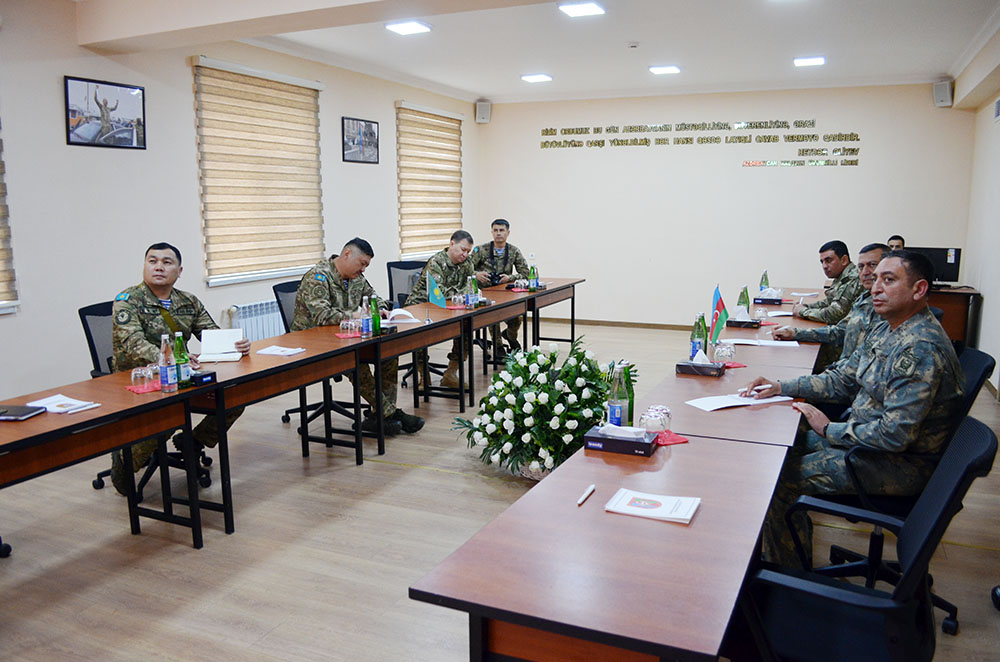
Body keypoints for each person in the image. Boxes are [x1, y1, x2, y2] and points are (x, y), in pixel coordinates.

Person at [745, 250, 964, 568]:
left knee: (780, 480)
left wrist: (828, 429)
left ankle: (788, 577)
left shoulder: (920, 349)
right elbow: (843, 379)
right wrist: (782, 386)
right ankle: (776, 559)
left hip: (896, 463)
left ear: (919, 290)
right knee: (782, 443)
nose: (875, 286)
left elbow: (894, 435)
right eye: (876, 279)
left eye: (889, 280)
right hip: (864, 440)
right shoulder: (888, 327)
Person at [110, 242, 250, 495]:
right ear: (144, 266)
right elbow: (133, 343)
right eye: (152, 261)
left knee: (234, 395)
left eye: (167, 262)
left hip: (180, 376)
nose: (159, 267)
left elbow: (210, 334)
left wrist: (235, 344)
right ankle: (125, 461)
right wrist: (171, 358)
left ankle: (193, 441)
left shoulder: (188, 301)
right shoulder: (127, 301)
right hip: (139, 379)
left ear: (179, 270)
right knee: (170, 416)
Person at [291, 238, 423, 436]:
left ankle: (379, 415)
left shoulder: (356, 278)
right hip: (313, 343)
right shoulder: (318, 277)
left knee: (388, 353)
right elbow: (322, 316)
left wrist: (381, 309)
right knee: (357, 364)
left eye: (366, 265)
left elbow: (374, 297)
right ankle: (390, 413)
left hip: (346, 337)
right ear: (347, 254)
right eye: (362, 264)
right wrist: (355, 315)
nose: (363, 269)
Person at [775, 243, 888, 373]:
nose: (865, 272)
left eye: (872, 265)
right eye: (861, 267)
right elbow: (840, 329)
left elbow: (834, 313)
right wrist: (795, 333)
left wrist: (803, 311)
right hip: (844, 370)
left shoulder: (887, 305)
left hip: (850, 372)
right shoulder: (865, 298)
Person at [406, 230, 475, 388]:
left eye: (468, 251)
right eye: (463, 250)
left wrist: (464, 293)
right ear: (452, 244)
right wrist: (463, 292)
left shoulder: (467, 263)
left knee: (466, 327)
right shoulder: (436, 262)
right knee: (419, 336)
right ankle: (423, 375)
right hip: (421, 306)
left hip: (449, 307)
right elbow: (440, 293)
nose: (465, 254)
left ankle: (451, 373)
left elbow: (471, 287)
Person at [470, 218, 530, 353]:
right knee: (493, 316)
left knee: (517, 318)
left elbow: (526, 273)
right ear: (491, 232)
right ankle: (498, 346)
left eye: (501, 230)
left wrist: (510, 278)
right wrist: (477, 274)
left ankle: (510, 336)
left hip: (505, 293)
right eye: (495, 230)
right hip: (485, 293)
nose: (498, 233)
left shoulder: (514, 251)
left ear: (508, 233)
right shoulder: (481, 250)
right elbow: (465, 269)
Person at [792, 240, 863, 324]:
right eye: (822, 262)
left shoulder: (852, 279)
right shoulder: (842, 275)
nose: (824, 266)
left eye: (828, 260)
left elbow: (833, 314)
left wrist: (803, 311)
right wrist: (807, 306)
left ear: (844, 260)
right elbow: (830, 301)